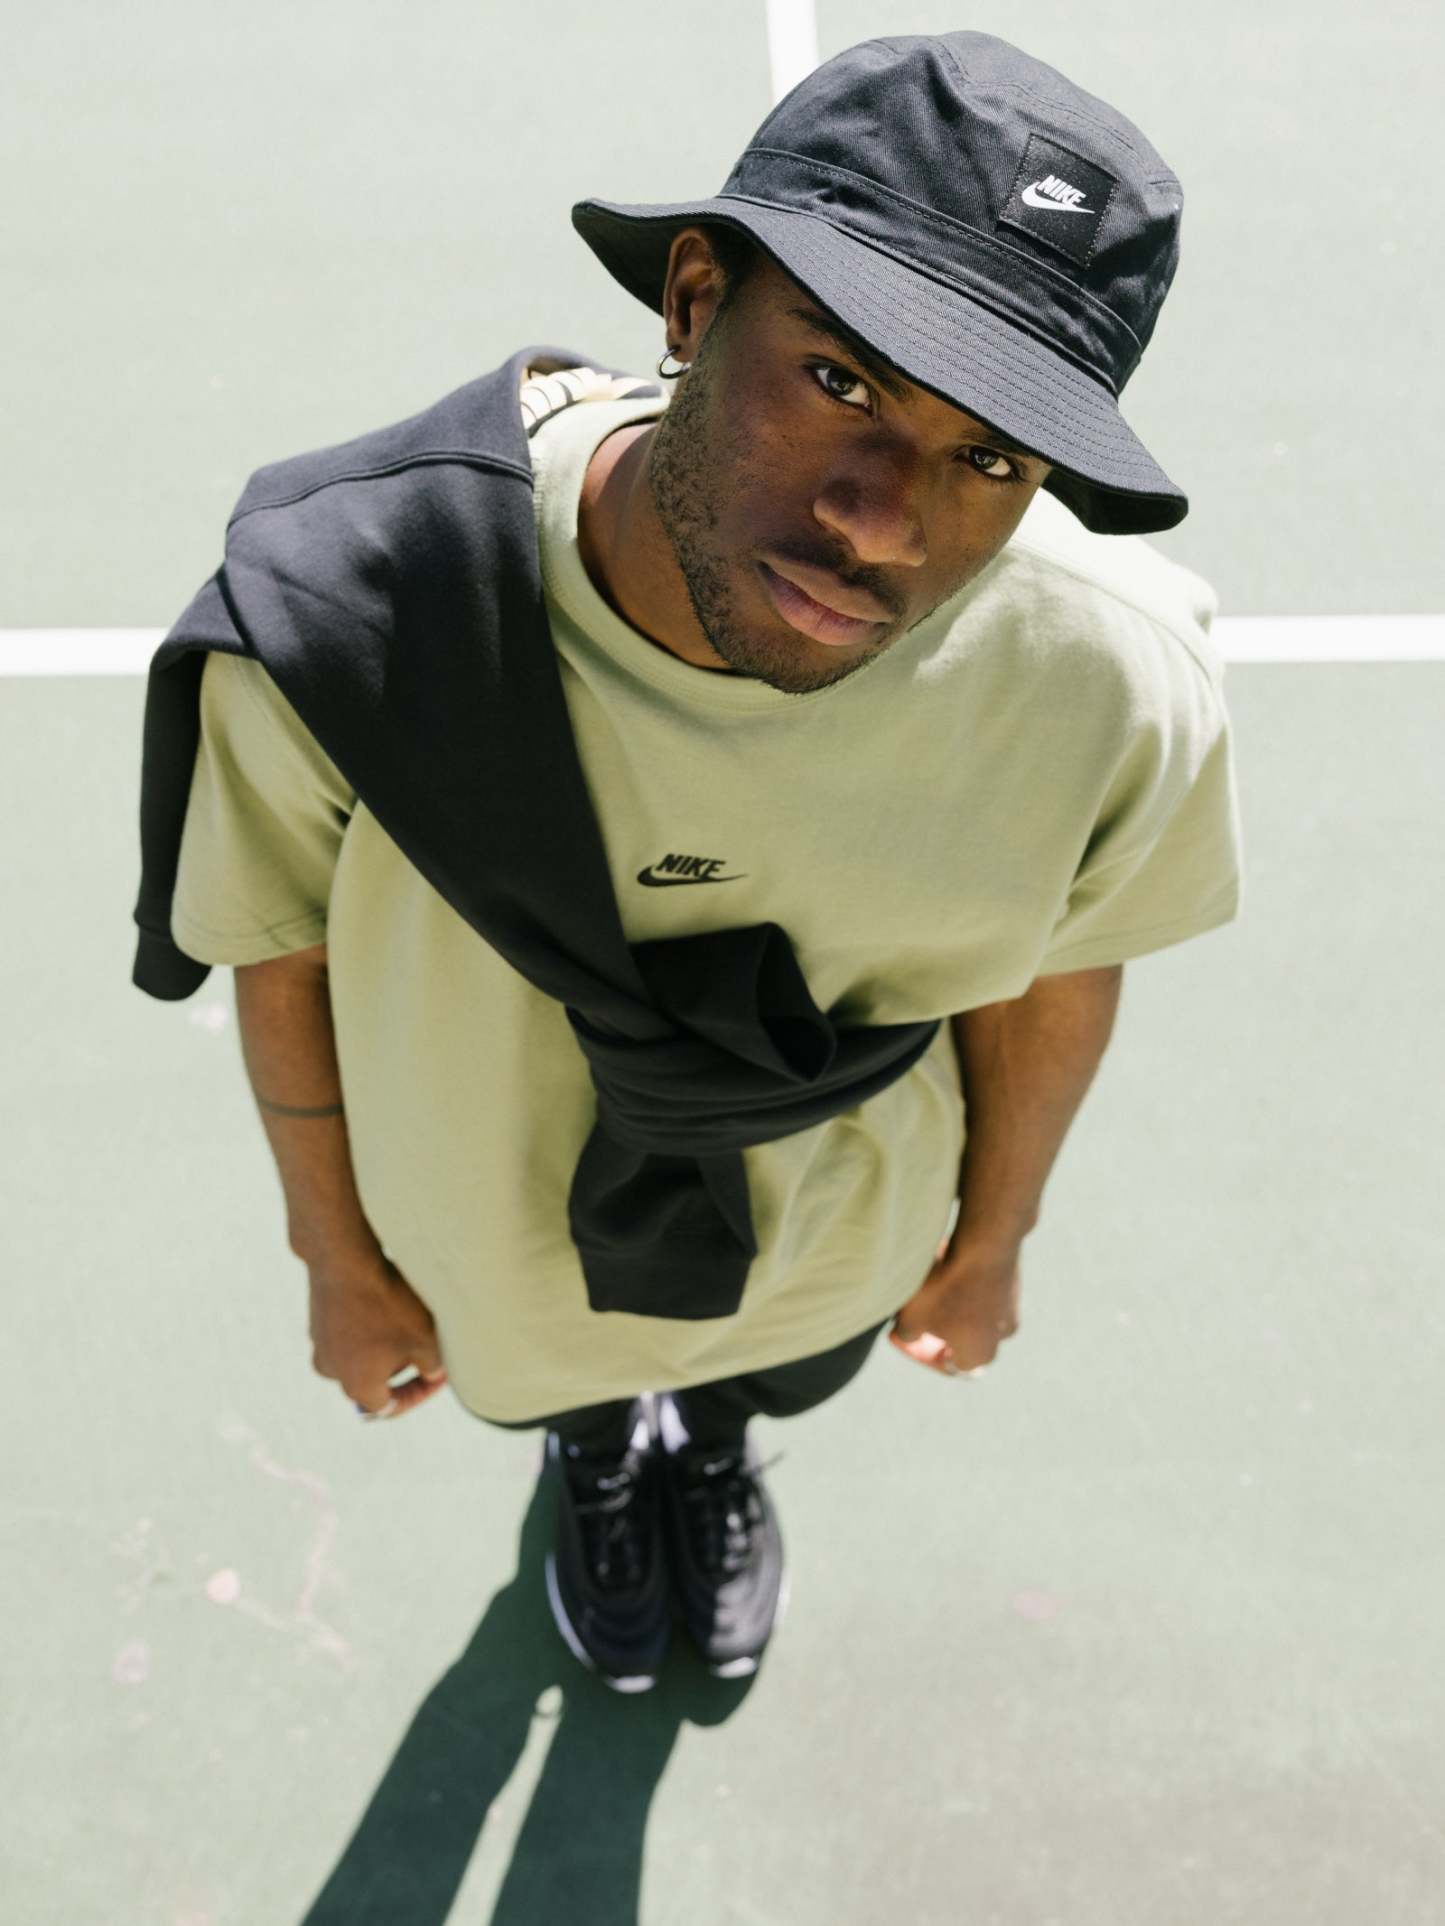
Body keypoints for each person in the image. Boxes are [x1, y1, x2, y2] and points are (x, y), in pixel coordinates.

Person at [142, 32, 1243, 1692]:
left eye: (988, 458)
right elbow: (278, 946)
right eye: (841, 381)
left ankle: (712, 1448)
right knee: (569, 1397)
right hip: (489, 1238)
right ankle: (594, 1456)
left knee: (761, 1378)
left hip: (835, 1240)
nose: (883, 517)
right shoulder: (357, 611)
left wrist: (994, 1232)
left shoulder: (1112, 682)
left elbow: (1063, 962)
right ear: (692, 298)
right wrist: (337, 1261)